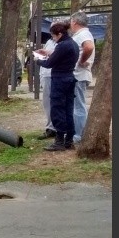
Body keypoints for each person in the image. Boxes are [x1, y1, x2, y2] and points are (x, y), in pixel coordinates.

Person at [35, 22, 79, 151]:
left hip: (60, 80)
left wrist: (38, 60)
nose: (53, 39)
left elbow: (50, 63)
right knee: (68, 110)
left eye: (53, 36)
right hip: (70, 78)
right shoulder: (73, 44)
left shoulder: (62, 45)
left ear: (59, 34)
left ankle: (59, 140)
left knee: (57, 109)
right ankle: (69, 140)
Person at [69, 11, 95, 143]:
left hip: (79, 75)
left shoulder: (83, 34)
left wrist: (81, 61)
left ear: (75, 22)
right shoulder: (81, 34)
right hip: (78, 75)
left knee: (78, 106)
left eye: (71, 22)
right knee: (76, 105)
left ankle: (79, 135)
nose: (70, 24)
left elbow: (89, 47)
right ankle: (76, 132)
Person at [35, 35, 59, 139]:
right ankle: (51, 126)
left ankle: (53, 128)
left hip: (52, 75)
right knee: (47, 103)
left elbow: (55, 58)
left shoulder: (62, 43)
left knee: (53, 103)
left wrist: (40, 60)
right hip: (45, 74)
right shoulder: (49, 41)